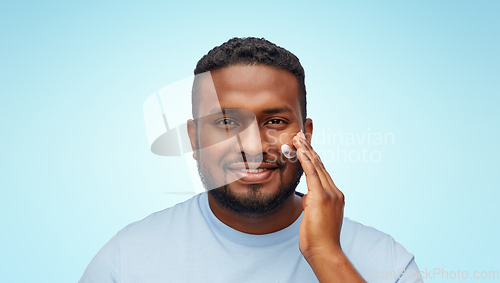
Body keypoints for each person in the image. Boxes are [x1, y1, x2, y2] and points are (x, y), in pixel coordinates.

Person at [80, 37, 423, 283]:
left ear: (306, 134)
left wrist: (326, 256)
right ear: (194, 138)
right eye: (227, 123)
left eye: (274, 122)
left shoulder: (386, 263)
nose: (254, 147)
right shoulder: (126, 262)